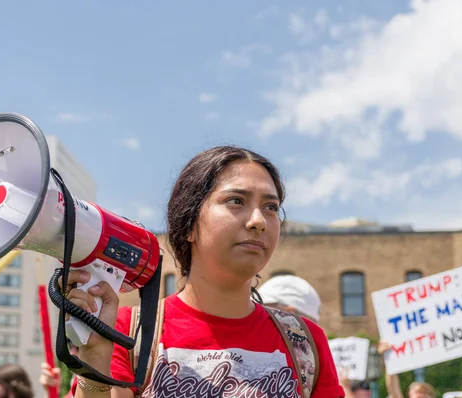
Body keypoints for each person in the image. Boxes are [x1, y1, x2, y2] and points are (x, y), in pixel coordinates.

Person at [60, 146, 345, 397]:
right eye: (236, 201)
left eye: (271, 207)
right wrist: (95, 361)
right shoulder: (127, 332)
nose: (258, 220)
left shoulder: (305, 342)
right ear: (189, 225)